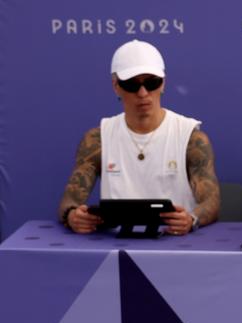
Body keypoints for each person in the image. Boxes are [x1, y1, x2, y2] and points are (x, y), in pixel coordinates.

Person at [58, 40, 220, 235]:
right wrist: (72, 215)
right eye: (132, 85)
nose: (143, 93)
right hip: (114, 245)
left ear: (163, 83)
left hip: (176, 242)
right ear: (116, 86)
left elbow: (211, 201)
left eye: (151, 83)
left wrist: (192, 218)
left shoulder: (191, 138)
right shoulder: (97, 139)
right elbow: (70, 198)